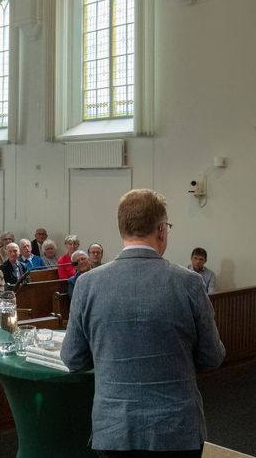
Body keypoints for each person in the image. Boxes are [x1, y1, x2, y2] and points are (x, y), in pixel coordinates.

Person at [62, 188, 225, 457]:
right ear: (161, 229)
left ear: (122, 228)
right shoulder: (189, 283)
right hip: (176, 429)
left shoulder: (87, 284)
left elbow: (73, 359)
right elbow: (212, 356)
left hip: (114, 429)